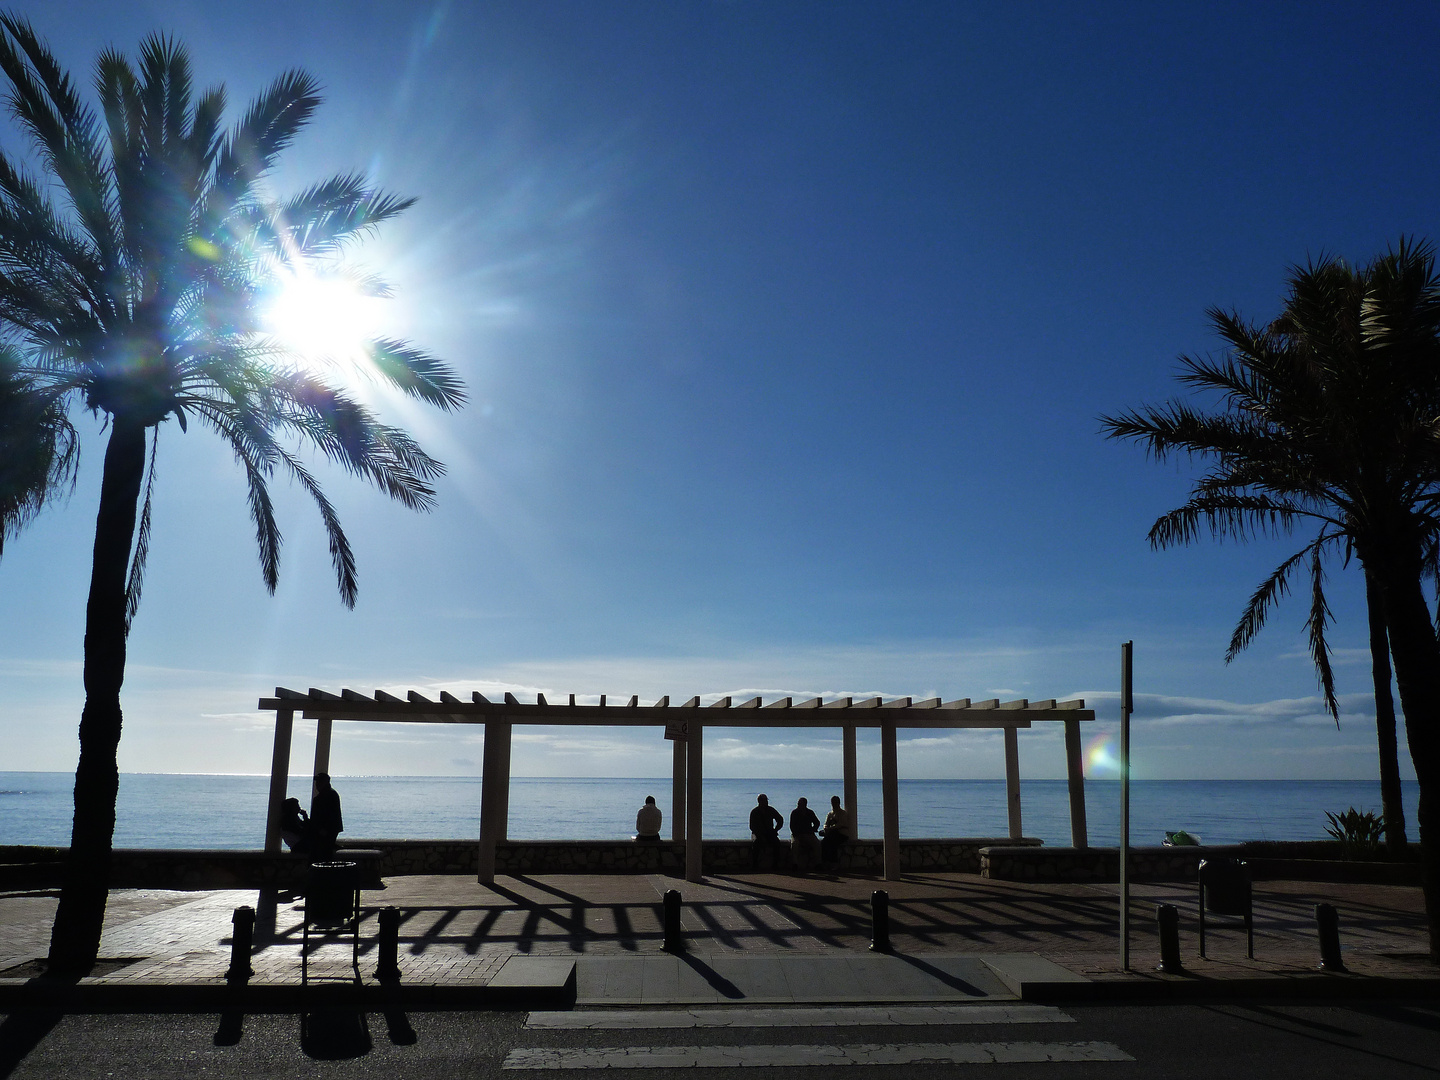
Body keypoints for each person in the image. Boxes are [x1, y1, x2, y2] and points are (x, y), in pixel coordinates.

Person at [307, 772, 344, 859]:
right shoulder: (328, 795)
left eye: (320, 782)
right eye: (317, 782)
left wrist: (323, 829)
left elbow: (330, 815)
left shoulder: (328, 796)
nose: (317, 784)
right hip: (325, 831)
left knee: (323, 854)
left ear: (326, 782)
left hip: (325, 831)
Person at [749, 793, 784, 870]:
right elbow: (752, 826)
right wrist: (760, 835)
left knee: (777, 843)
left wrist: (775, 830)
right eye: (764, 800)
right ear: (759, 801)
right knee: (756, 843)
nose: (766, 802)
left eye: (766, 800)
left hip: (769, 833)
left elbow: (780, 819)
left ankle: (775, 863)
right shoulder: (754, 812)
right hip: (757, 833)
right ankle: (754, 863)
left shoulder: (771, 810)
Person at [789, 797, 821, 872]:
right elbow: (792, 826)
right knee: (794, 844)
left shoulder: (810, 812)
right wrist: (797, 834)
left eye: (800, 804)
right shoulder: (794, 813)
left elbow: (817, 822)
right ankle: (795, 864)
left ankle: (818, 863)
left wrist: (813, 830)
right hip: (797, 835)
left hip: (808, 834)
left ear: (805, 804)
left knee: (817, 844)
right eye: (798, 804)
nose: (798, 805)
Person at [820, 795, 850, 870]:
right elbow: (825, 823)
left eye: (835, 802)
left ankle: (834, 862)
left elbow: (840, 825)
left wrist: (830, 828)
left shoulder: (842, 813)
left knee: (832, 843)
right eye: (833, 802)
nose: (834, 804)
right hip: (831, 834)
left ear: (839, 803)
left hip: (842, 834)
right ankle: (825, 861)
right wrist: (826, 828)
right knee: (824, 843)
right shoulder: (830, 814)